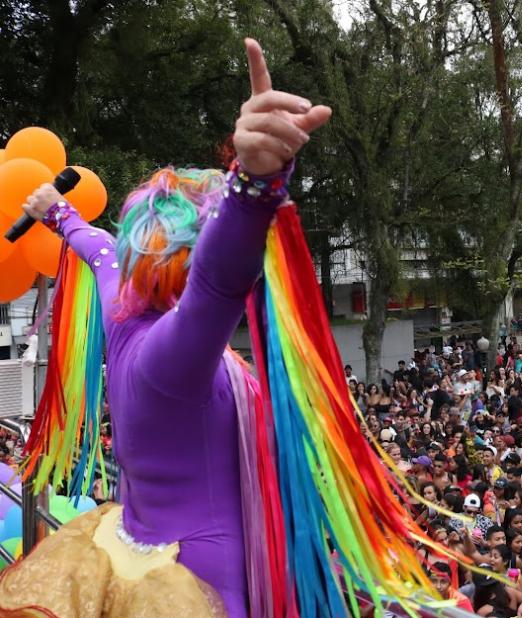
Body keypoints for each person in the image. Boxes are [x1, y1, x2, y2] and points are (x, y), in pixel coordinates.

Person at [1, 38, 331, 618]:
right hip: (203, 585)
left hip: (136, 554)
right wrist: (253, 187)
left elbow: (98, 248)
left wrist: (58, 209)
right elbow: (217, 281)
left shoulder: (121, 305)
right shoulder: (172, 353)